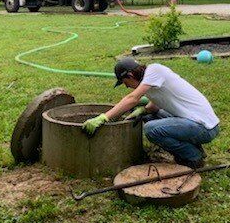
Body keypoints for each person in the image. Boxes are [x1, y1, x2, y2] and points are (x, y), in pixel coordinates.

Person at [82, 57, 219, 169]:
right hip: (195, 123)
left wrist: (103, 117)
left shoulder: (154, 70)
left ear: (130, 75)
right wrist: (144, 110)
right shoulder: (151, 80)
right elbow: (156, 103)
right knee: (149, 116)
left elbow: (132, 98)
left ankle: (193, 157)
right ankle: (194, 149)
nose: (126, 86)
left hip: (204, 128)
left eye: (125, 82)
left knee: (151, 129)